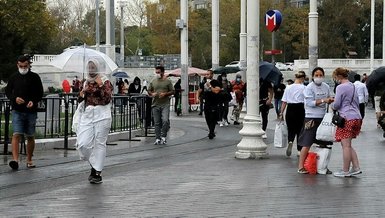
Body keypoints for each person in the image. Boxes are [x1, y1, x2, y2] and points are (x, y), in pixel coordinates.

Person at [76, 59, 113, 184]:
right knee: (83, 144)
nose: (91, 70)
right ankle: (94, 163)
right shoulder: (85, 82)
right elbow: (80, 100)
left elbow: (107, 98)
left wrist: (101, 85)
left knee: (99, 143)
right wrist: (81, 94)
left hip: (102, 114)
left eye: (93, 67)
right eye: (89, 67)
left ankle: (97, 172)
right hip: (88, 114)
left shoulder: (105, 81)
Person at [5, 55, 44, 170]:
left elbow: (40, 92)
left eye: (25, 66)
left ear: (29, 65)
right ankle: (15, 160)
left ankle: (29, 159)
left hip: (31, 111)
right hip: (17, 110)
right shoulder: (14, 77)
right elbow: (8, 91)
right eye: (20, 66)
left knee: (30, 136)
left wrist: (33, 101)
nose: (23, 68)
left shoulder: (35, 77)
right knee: (16, 134)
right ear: (17, 65)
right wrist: (14, 98)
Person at [297, 67, 334, 174]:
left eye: (320, 75)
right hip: (311, 117)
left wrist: (331, 100)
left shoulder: (326, 86)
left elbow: (329, 98)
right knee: (307, 142)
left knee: (324, 142)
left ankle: (322, 166)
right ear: (313, 76)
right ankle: (300, 166)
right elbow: (309, 103)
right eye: (316, 75)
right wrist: (323, 100)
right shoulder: (309, 88)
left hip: (323, 118)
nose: (319, 77)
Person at [331, 67, 363, 177]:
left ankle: (345, 170)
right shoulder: (352, 85)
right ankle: (356, 167)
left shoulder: (340, 87)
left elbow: (337, 104)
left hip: (346, 118)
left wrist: (332, 104)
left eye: (335, 77)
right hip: (356, 117)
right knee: (348, 145)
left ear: (338, 76)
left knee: (345, 146)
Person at [279, 71, 306, 157]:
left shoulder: (288, 87)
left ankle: (290, 141)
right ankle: (299, 149)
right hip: (300, 108)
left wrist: (281, 112)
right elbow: (306, 101)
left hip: (290, 108)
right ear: (302, 78)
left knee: (291, 128)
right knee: (300, 130)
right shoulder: (304, 88)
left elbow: (284, 101)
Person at [148, 66, 175, 145]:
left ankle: (163, 136)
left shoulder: (168, 81)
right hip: (155, 104)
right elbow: (149, 90)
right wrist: (152, 94)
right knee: (157, 122)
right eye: (156, 72)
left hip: (165, 104)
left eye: (158, 72)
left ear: (163, 72)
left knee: (165, 120)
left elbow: (173, 91)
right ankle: (157, 138)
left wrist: (165, 94)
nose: (157, 74)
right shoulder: (153, 81)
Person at [202, 70, 222, 139]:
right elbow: (200, 90)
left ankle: (211, 131)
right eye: (206, 74)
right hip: (207, 102)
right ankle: (211, 130)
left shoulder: (216, 82)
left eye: (208, 74)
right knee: (207, 117)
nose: (206, 75)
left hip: (214, 102)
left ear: (212, 75)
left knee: (212, 117)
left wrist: (210, 86)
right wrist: (198, 97)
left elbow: (217, 91)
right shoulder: (204, 82)